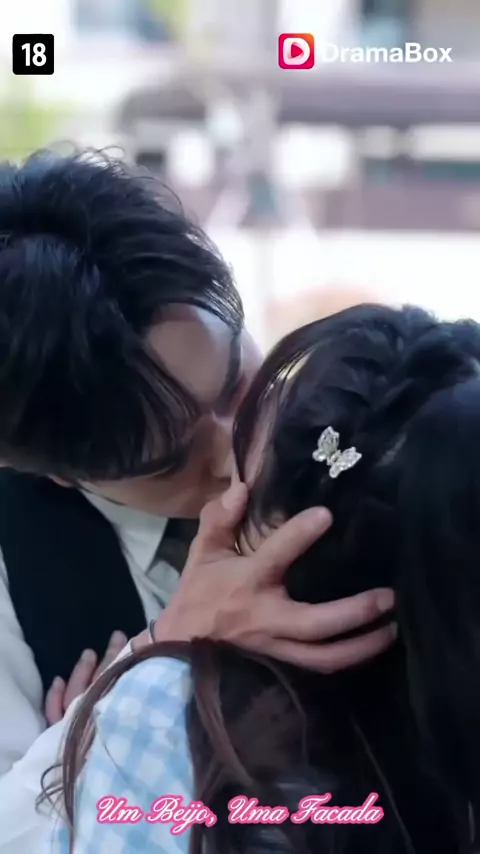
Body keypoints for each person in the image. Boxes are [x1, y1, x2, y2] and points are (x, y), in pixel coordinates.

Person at [0, 151, 394, 852]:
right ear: (50, 470)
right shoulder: (15, 572)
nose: (238, 455)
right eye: (170, 460)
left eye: (239, 385)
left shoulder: (376, 426)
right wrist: (135, 685)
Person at [52, 303, 480, 853]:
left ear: (284, 544)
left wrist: (105, 721)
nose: (220, 467)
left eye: (240, 392)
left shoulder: (166, 716)